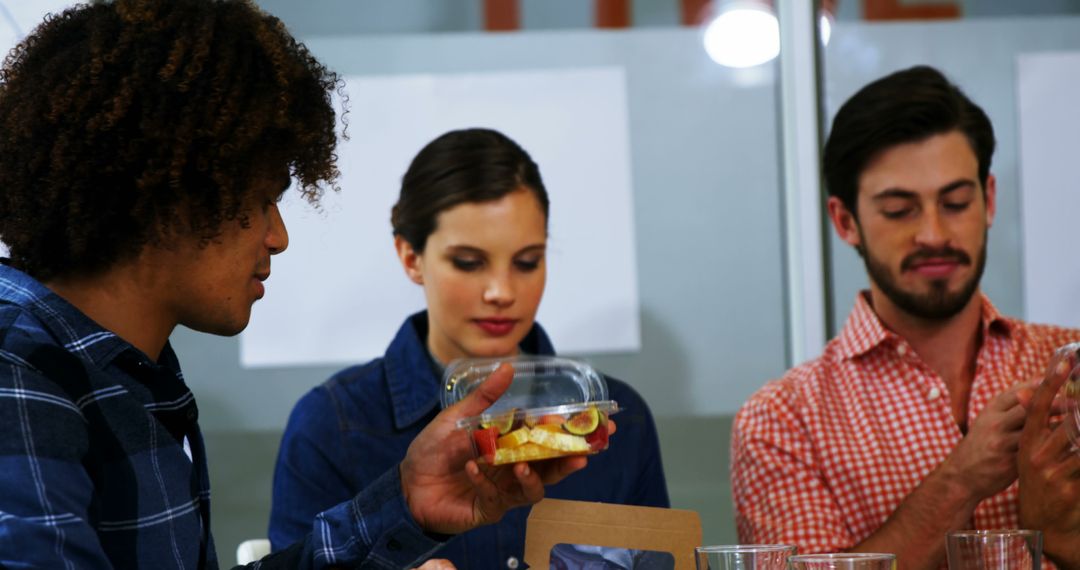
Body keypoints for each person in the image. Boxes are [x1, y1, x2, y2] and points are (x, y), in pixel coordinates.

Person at [0, 2, 585, 568]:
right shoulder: (19, 378)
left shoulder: (130, 380)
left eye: (528, 260)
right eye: (261, 202)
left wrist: (408, 505)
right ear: (167, 194)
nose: (277, 237)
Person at [268, 128, 669, 568]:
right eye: (468, 262)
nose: (501, 291)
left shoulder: (618, 419)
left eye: (527, 261)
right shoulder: (334, 424)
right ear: (410, 257)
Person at [730, 65, 1080, 570]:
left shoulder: (1068, 370)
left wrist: (1062, 535)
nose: (934, 234)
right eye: (899, 210)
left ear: (990, 201)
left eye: (956, 202)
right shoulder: (783, 420)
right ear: (845, 221)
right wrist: (961, 478)